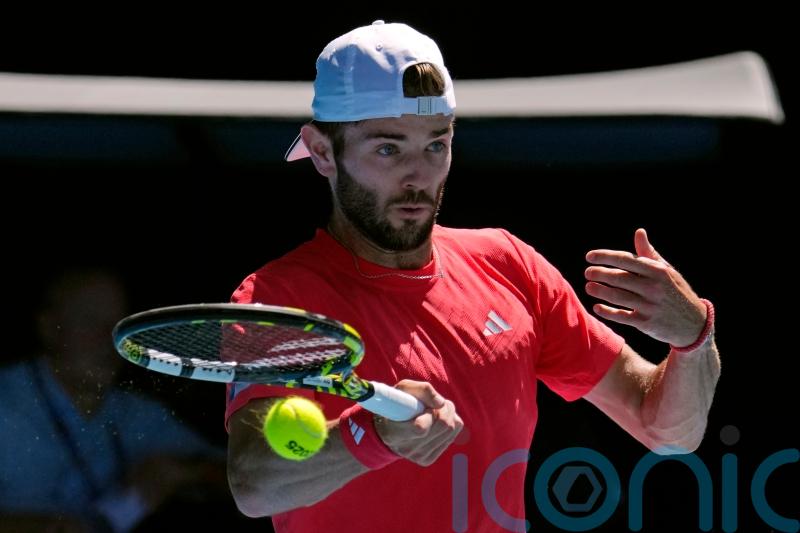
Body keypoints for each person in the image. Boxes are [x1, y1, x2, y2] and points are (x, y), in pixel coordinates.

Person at [225, 20, 721, 533]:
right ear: (323, 152)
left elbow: (666, 432)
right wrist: (373, 437)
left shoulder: (510, 265)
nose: (418, 176)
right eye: (388, 149)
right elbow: (253, 484)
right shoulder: (276, 298)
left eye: (435, 145)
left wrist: (693, 338)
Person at [0, 267, 232, 532]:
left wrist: (186, 473)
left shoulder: (133, 412)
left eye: (118, 325)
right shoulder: (6, 401)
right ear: (49, 327)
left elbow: (235, 474)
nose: (108, 340)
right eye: (90, 322)